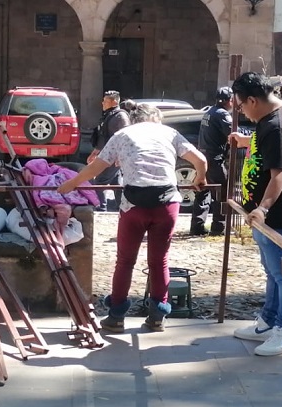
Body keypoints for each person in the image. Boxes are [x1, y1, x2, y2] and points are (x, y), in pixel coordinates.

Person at [58, 103, 207, 333]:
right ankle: (157, 316)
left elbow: (96, 167)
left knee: (125, 261)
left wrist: (72, 184)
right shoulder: (170, 133)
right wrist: (200, 178)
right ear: (156, 118)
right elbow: (201, 161)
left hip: (134, 204)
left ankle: (116, 317)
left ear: (135, 119)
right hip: (167, 202)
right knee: (159, 261)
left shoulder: (122, 134)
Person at [229, 72, 282, 357]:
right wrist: (247, 141)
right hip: (262, 215)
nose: (241, 111)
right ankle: (268, 320)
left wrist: (263, 208)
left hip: (276, 215)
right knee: (273, 272)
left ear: (253, 100)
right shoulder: (268, 122)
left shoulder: (278, 126)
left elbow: (281, 173)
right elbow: (268, 151)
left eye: (241, 105)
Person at [190, 86, 233, 235]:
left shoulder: (209, 111)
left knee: (202, 190)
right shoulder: (222, 114)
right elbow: (231, 132)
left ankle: (197, 227)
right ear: (229, 100)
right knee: (221, 192)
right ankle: (219, 227)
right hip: (215, 158)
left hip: (204, 156)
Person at [87, 90, 131, 211]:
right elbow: (103, 136)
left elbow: (125, 137)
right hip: (107, 153)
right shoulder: (109, 115)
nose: (103, 103)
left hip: (114, 155)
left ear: (114, 102)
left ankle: (101, 207)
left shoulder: (121, 116)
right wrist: (95, 152)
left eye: (106, 101)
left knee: (99, 181)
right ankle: (121, 206)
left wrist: (120, 156)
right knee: (116, 182)